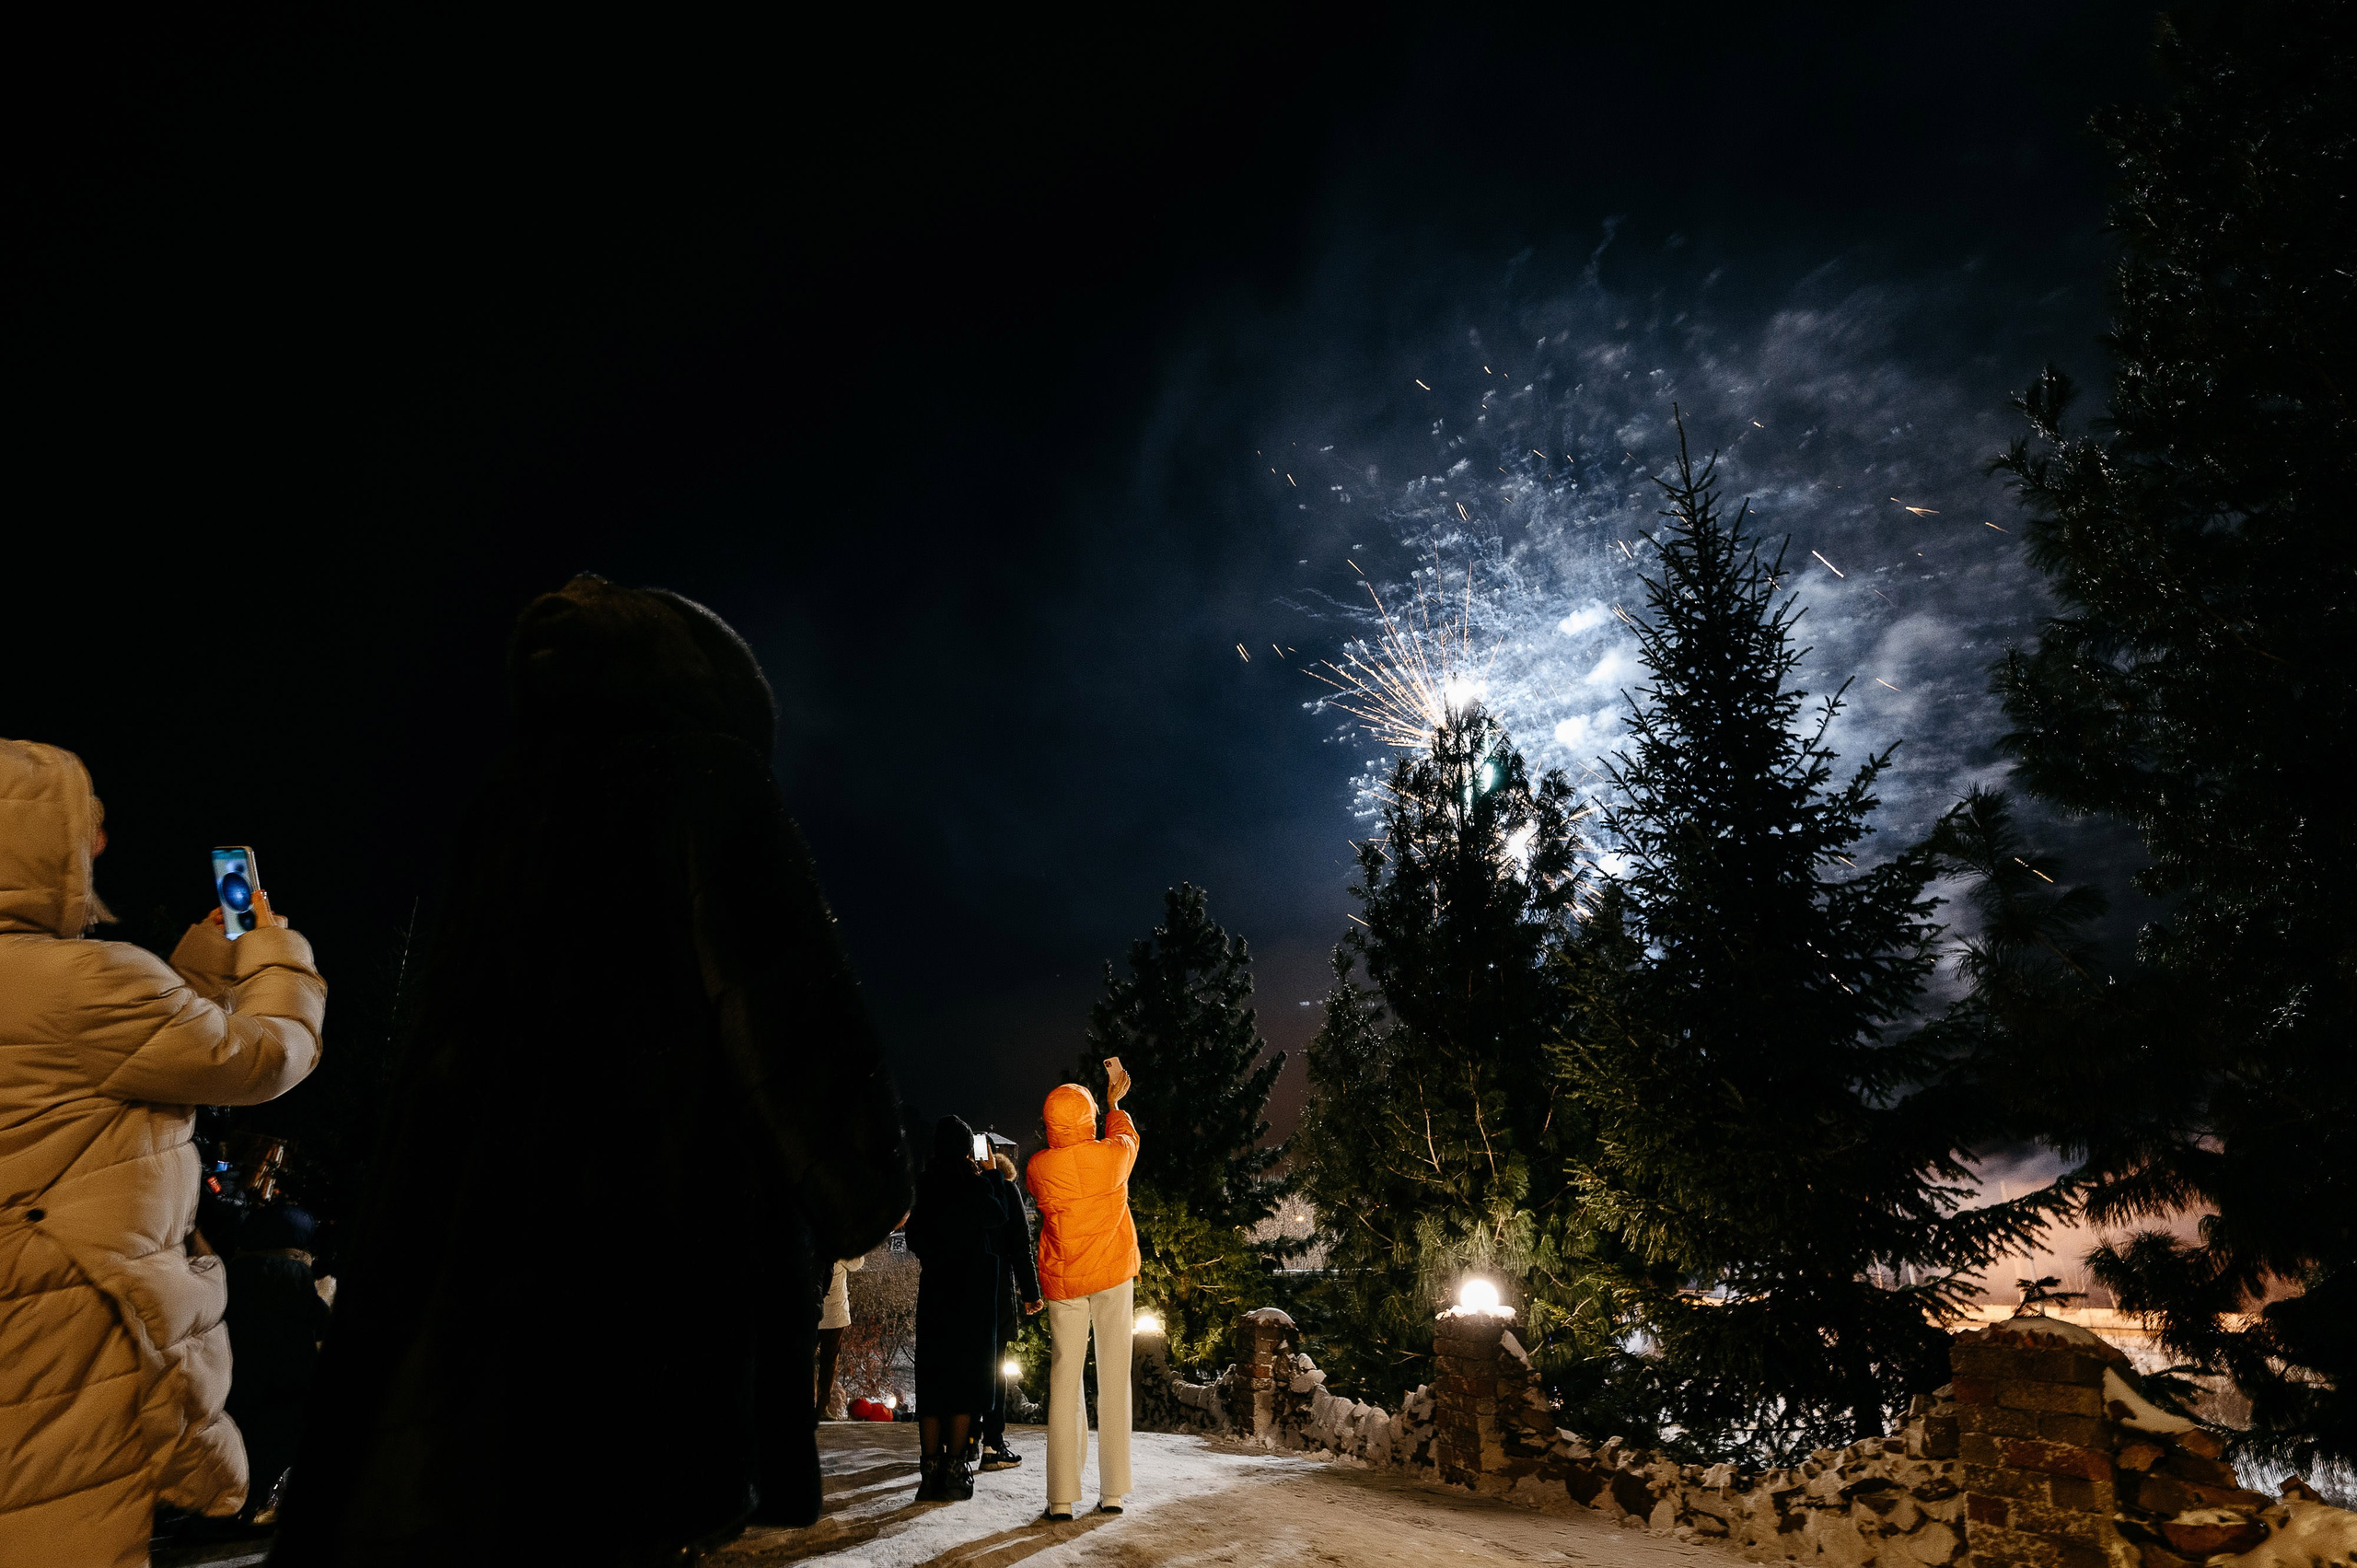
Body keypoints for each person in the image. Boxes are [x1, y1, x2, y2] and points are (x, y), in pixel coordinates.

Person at [270, 575, 913, 1565]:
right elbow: (785, 1009)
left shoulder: (506, 802)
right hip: (633, 1280)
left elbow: (440, 1054)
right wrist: (861, 1180)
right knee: (609, 1509)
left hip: (460, 1287)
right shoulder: (709, 781)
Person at [0, 738, 328, 1568]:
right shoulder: (84, 983)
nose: (99, 844)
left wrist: (205, 963)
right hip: (67, 1326)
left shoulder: (56, 987)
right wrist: (272, 951)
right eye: (83, 827)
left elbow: (122, 1051)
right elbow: (265, 1056)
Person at [1025, 1059, 1140, 1520]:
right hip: (1113, 1274)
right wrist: (1115, 1105)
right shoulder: (1112, 1157)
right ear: (1089, 1118)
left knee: (1064, 1382)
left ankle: (1060, 1498)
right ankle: (1113, 1492)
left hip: (1065, 1280)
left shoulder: (1038, 1168)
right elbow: (1127, 1139)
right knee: (1114, 1378)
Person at [903, 1117, 1017, 1502]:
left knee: (933, 1382)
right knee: (964, 1382)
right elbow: (998, 1215)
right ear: (968, 1148)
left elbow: (914, 1237)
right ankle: (955, 1472)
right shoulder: (974, 1184)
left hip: (935, 1292)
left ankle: (929, 1474)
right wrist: (993, 1175)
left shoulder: (925, 1185)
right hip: (970, 1295)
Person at [223, 1203, 333, 1524]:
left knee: (236, 1442)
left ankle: (223, 1506)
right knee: (270, 1447)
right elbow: (319, 1322)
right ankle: (252, 1504)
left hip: (237, 1374)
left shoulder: (233, 1271)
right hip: (287, 1379)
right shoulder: (299, 1276)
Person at [977, 1137, 1040, 1471]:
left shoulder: (963, 1189)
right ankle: (993, 1443)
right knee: (994, 1369)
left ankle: (965, 1440)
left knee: (967, 1367)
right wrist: (1030, 1293)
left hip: (960, 1294)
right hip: (996, 1291)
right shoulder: (1007, 1191)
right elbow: (1020, 1248)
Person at [816, 1252, 865, 1418]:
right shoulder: (842, 1244)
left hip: (814, 1308)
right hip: (835, 1311)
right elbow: (857, 1263)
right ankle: (822, 1407)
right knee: (829, 1362)